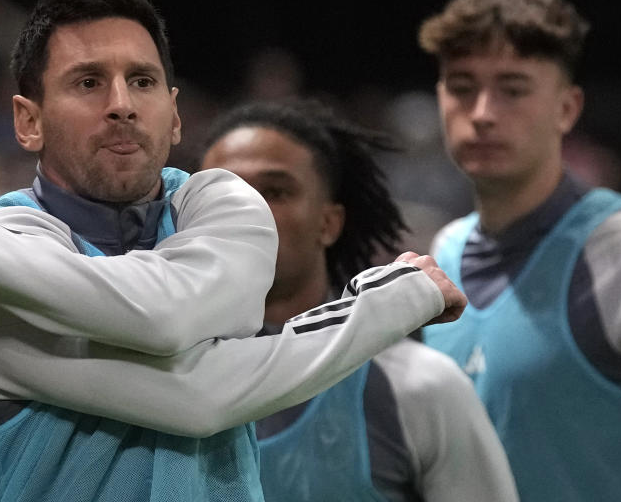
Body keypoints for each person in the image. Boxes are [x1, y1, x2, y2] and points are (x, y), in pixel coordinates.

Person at [0, 0, 466, 502]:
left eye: (141, 82)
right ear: (28, 121)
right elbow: (196, 388)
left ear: (174, 114)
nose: (121, 104)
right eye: (87, 83)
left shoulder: (223, 204)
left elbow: (164, 313)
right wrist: (388, 303)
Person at [201, 98, 518, 501]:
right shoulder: (159, 377)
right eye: (223, 193)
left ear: (329, 223)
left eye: (275, 191)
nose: (246, 211)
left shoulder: (419, 386)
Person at [418, 0, 621, 502]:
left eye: (512, 89)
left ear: (567, 108)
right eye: (462, 86)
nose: (483, 112)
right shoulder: (442, 252)